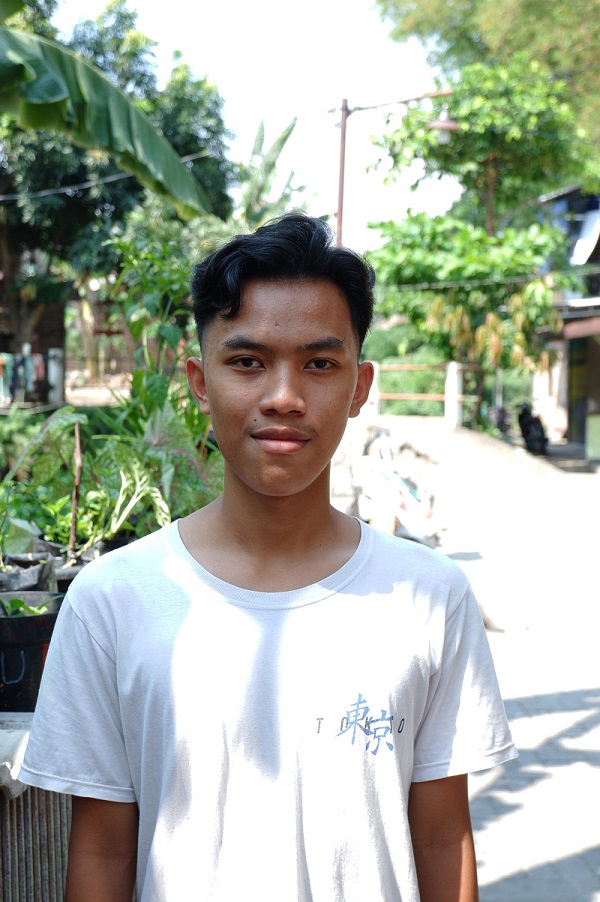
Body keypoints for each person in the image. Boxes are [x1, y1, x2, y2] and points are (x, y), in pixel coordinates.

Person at [20, 212, 517, 902]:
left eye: (319, 364)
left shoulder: (428, 595)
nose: (284, 398)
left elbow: (440, 838)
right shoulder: (113, 599)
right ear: (199, 380)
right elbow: (103, 850)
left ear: (359, 387)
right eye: (247, 362)